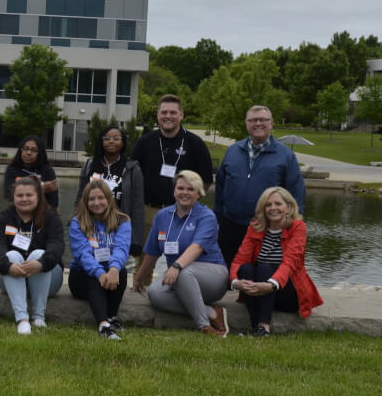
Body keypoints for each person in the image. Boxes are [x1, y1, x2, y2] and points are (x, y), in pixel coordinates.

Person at [133, 170, 229, 337]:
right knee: (155, 293)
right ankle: (211, 313)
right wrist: (138, 278)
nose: (184, 193)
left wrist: (177, 266)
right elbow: (151, 253)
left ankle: (204, 326)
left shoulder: (207, 216)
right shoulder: (162, 216)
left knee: (184, 273)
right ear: (174, 191)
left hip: (212, 276)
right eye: (180, 188)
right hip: (180, 277)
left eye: (190, 189)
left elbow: (197, 247)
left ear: (199, 194)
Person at [215, 105, 305, 267]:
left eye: (263, 120)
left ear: (271, 123)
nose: (258, 123)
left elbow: (296, 191)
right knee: (227, 272)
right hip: (230, 225)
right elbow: (220, 185)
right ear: (246, 124)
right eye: (253, 120)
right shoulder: (233, 151)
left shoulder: (285, 155)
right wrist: (218, 216)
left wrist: (292, 223)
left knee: (259, 273)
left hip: (266, 227)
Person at [230, 187, 323, 336]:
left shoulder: (298, 227)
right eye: (268, 204)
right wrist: (236, 282)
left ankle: (263, 325)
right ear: (263, 208)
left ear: (289, 207)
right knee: (245, 269)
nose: (273, 208)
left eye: (278, 204)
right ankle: (258, 329)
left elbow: (290, 262)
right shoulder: (255, 228)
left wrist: (271, 285)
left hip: (287, 292)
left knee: (265, 268)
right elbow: (239, 260)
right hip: (260, 290)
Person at [0, 177, 64, 335]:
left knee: (38, 254)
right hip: (11, 277)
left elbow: (57, 247)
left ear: (38, 196)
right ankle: (22, 319)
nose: (24, 199)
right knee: (12, 255)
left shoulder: (50, 217)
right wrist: (8, 266)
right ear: (13, 197)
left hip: (48, 278)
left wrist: (41, 263)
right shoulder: (3, 218)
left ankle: (38, 317)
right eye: (20, 195)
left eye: (29, 195)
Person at [68, 180, 131, 340]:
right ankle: (103, 325)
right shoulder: (77, 222)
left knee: (122, 272)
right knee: (94, 278)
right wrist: (100, 273)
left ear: (109, 199)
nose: (96, 203)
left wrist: (114, 269)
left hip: (109, 274)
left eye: (101, 198)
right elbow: (82, 254)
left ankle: (111, 318)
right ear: (86, 202)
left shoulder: (123, 221)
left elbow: (121, 249)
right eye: (91, 199)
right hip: (81, 276)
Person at [130, 94, 213, 215]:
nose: (168, 116)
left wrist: (188, 201)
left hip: (183, 212)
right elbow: (132, 177)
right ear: (158, 115)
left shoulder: (195, 143)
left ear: (181, 115)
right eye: (164, 112)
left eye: (173, 112)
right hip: (149, 211)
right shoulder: (144, 142)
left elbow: (206, 180)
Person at [76, 126, 145, 257]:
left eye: (116, 138)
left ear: (123, 142)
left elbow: (137, 205)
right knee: (88, 260)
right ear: (101, 142)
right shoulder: (90, 165)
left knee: (116, 264)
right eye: (107, 138)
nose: (111, 141)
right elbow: (80, 196)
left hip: (118, 226)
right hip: (91, 224)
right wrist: (76, 222)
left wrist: (136, 240)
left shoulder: (132, 168)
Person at [4, 135, 59, 210]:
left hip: (43, 214)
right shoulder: (12, 169)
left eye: (33, 150)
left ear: (39, 153)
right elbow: (9, 195)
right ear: (21, 150)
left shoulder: (47, 171)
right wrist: (41, 189)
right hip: (18, 214)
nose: (28, 153)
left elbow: (54, 203)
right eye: (25, 149)